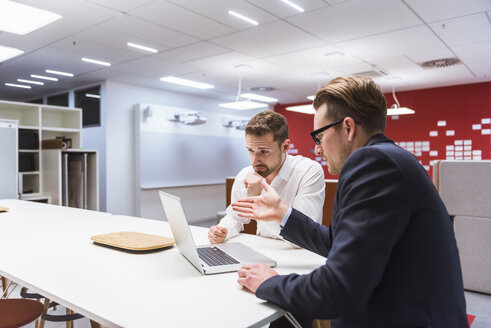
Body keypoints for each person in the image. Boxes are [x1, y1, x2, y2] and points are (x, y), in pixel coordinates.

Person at [232, 76, 469, 328]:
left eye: (319, 137)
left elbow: (339, 290)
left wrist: (268, 282)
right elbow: (337, 243)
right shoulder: (390, 159)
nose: (318, 149)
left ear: (348, 128)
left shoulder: (373, 163)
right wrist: (282, 212)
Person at [208, 110, 325, 244]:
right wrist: (222, 230)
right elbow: (235, 218)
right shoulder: (245, 175)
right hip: (264, 248)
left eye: (264, 151)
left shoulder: (308, 171)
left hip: (301, 253)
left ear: (285, 146)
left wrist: (273, 208)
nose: (255, 160)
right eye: (251, 151)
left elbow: (304, 232)